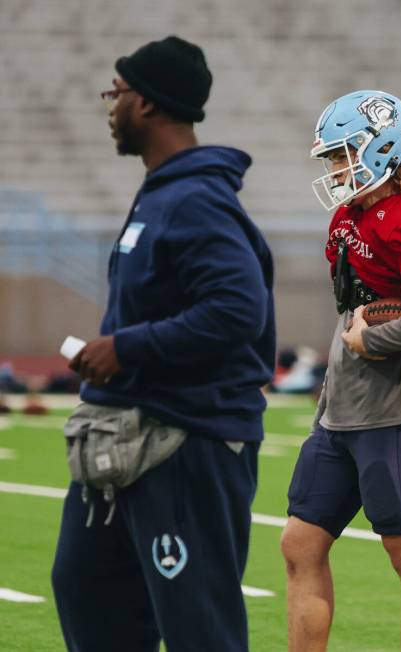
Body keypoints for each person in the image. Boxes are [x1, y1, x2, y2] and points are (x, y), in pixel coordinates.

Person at [51, 35, 276, 652]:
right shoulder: (164, 191)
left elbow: (237, 310)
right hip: (128, 433)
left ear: (146, 104)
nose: (110, 104)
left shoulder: (195, 199)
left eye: (117, 91)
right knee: (86, 590)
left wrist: (123, 348)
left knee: (197, 625)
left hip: (187, 442)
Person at [280, 90, 401, 652]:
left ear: (383, 148)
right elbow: (355, 305)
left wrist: (377, 339)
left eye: (342, 155)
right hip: (341, 407)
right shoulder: (349, 216)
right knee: (300, 543)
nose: (335, 169)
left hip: (394, 409)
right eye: (331, 158)